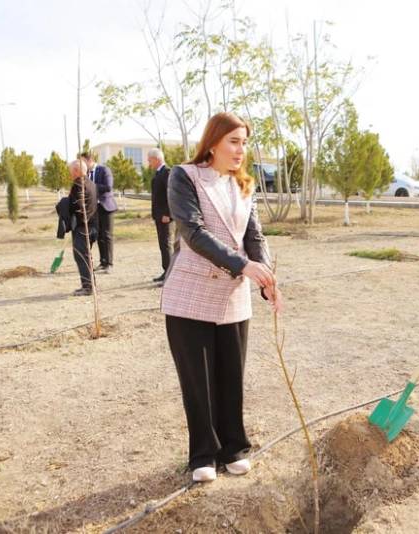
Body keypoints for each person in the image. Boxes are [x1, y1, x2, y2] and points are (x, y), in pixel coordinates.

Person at [161, 112, 282, 483]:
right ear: (212, 143)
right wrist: (244, 266)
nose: (240, 150)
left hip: (233, 298)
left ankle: (234, 447)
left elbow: (254, 236)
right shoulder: (184, 176)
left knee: (231, 375)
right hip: (189, 295)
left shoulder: (243, 186)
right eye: (233, 141)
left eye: (244, 142)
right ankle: (203, 454)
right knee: (198, 381)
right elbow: (193, 233)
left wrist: (265, 275)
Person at [80, 152, 117, 274]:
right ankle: (103, 261)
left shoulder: (104, 170)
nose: (81, 165)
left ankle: (109, 264)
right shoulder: (85, 174)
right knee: (99, 235)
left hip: (106, 207)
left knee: (107, 235)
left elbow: (108, 187)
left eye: (83, 162)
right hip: (94, 209)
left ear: (89, 160)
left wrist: (91, 186)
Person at [68, 159, 98, 296]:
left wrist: (65, 205)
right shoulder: (91, 183)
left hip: (83, 227)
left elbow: (78, 207)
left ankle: (87, 287)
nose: (70, 174)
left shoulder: (78, 185)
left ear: (76, 171)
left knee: (82, 256)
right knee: (86, 256)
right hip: (92, 226)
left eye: (71, 171)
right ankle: (90, 284)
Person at [148, 147, 172, 284]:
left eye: (149, 160)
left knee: (166, 244)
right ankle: (166, 271)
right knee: (162, 244)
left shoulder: (166, 172)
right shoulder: (158, 173)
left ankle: (169, 273)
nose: (148, 163)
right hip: (158, 216)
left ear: (156, 159)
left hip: (165, 216)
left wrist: (168, 213)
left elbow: (171, 194)